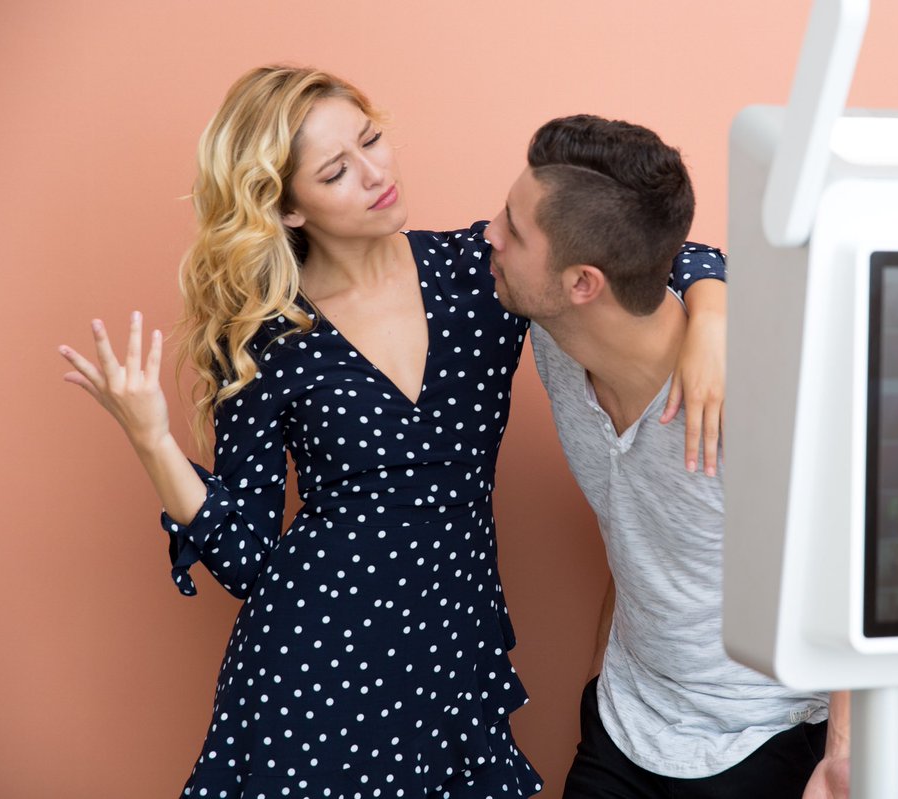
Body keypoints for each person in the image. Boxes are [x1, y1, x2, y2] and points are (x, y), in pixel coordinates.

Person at [57, 67, 727, 798]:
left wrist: (712, 320)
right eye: (338, 170)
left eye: (372, 138)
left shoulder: (482, 272)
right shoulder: (263, 337)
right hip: (310, 676)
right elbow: (247, 561)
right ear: (286, 208)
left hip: (448, 662)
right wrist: (152, 439)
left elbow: (648, 248)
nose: (376, 173)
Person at [483, 115, 851, 799]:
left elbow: (861, 566)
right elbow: (676, 250)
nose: (488, 235)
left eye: (512, 226)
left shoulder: (757, 399)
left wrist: (844, 756)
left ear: (583, 283)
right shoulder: (554, 340)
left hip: (758, 737)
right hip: (625, 719)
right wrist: (712, 304)